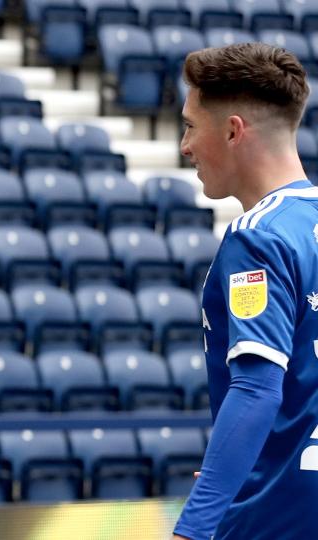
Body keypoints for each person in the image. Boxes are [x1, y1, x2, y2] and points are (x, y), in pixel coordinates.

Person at [173, 43, 318, 539]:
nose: (184, 145)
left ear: (233, 130)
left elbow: (256, 390)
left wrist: (194, 526)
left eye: (191, 126)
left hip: (275, 521)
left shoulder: (259, 237)